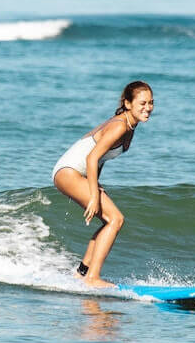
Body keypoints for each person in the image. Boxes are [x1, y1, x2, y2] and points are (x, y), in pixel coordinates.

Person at [51, 81, 154, 288]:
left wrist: (94, 184)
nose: (148, 107)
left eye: (151, 103)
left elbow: (100, 158)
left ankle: (82, 273)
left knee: (110, 221)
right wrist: (93, 192)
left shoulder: (130, 126)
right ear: (127, 103)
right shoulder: (120, 126)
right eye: (142, 103)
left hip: (75, 173)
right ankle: (93, 278)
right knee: (115, 219)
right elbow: (91, 158)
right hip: (69, 172)